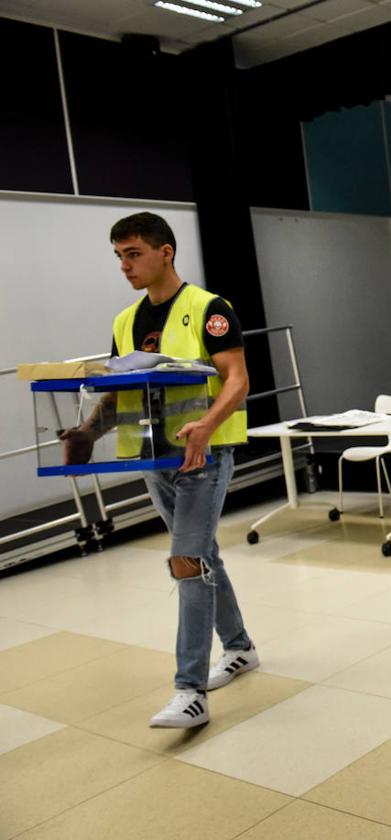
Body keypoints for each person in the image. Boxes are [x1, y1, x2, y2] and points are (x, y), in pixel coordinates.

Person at [64, 212, 259, 728]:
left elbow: (237, 380)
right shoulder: (125, 321)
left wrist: (207, 426)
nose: (124, 266)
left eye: (133, 254)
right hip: (153, 460)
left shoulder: (209, 309)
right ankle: (239, 648)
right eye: (119, 256)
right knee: (202, 554)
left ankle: (189, 690)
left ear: (165, 252)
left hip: (203, 457)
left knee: (186, 562)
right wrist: (87, 433)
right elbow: (118, 393)